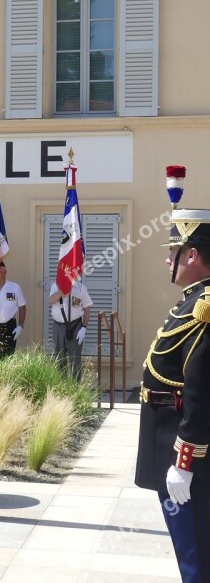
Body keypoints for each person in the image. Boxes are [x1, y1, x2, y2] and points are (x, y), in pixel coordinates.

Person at [136, 208, 210, 582]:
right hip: (168, 442)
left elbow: (201, 390)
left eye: (174, 251)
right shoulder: (191, 300)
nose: (168, 258)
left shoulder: (204, 308)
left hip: (186, 455)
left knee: (196, 552)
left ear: (192, 255)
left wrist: (184, 462)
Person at [49, 279, 92, 380]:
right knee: (60, 357)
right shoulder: (55, 286)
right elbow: (51, 300)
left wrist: (84, 328)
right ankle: (61, 386)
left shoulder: (81, 288)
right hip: (58, 325)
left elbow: (87, 308)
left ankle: (75, 388)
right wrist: (62, 290)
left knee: (75, 358)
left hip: (75, 325)